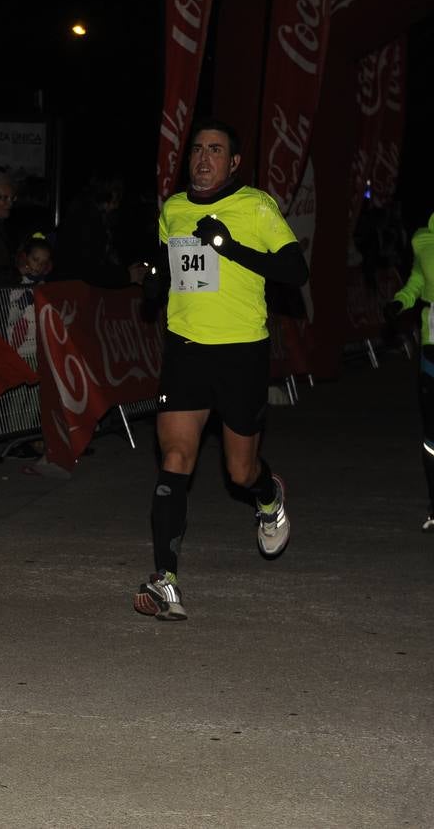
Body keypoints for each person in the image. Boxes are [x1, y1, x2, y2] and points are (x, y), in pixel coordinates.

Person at [134, 119, 309, 620]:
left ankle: (268, 495)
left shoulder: (256, 206)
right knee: (174, 456)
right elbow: (172, 268)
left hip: (242, 353)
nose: (203, 159)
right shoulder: (174, 209)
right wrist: (154, 282)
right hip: (187, 350)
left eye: (215, 150)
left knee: (240, 471)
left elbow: (296, 272)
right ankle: (165, 579)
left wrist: (229, 247)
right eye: (197, 150)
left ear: (233, 163)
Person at [385, 210, 434, 532]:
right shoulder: (423, 240)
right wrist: (400, 301)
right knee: (432, 436)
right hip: (433, 346)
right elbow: (418, 280)